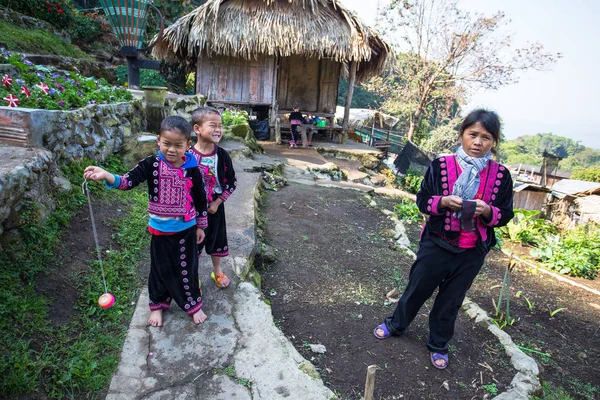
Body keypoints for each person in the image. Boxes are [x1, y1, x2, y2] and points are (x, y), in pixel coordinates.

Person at [373, 109, 514, 369]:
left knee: (452, 299)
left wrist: (488, 211)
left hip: (472, 252)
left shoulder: (502, 176)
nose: (478, 142)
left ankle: (438, 344)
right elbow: (423, 200)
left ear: (494, 142)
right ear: (462, 134)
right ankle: (396, 324)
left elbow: (505, 214)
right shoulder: (441, 165)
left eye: (486, 137)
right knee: (417, 289)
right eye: (472, 134)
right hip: (436, 243)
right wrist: (443, 202)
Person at [83, 116, 209, 326]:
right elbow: (127, 181)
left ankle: (193, 305)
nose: (171, 150)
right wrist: (106, 175)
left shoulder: (192, 169)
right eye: (167, 143)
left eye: (178, 145)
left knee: (187, 268)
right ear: (158, 140)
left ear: (188, 145)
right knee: (159, 270)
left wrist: (201, 226)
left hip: (186, 230)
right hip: (160, 231)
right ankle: (158, 305)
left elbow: (200, 199)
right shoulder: (151, 165)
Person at [190, 106, 237, 289]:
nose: (218, 129)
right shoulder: (187, 156)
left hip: (214, 209)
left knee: (216, 241)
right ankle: (194, 277)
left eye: (220, 125)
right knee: (194, 244)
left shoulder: (222, 156)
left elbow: (231, 182)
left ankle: (217, 271)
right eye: (213, 125)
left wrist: (217, 202)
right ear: (197, 129)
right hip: (192, 213)